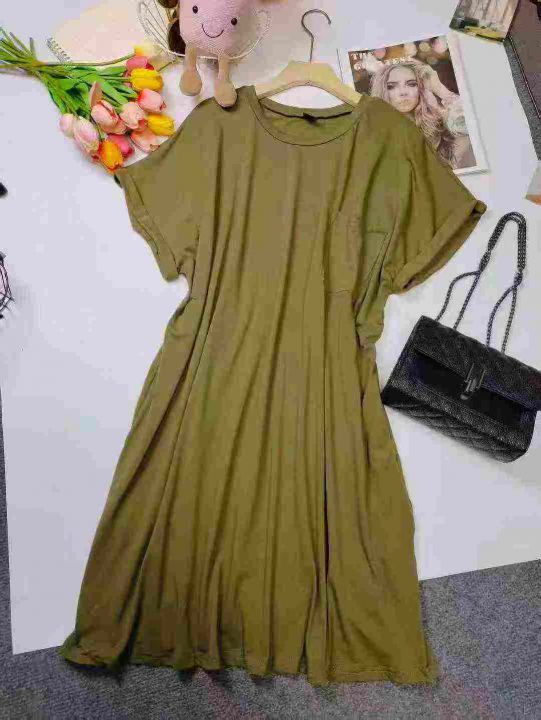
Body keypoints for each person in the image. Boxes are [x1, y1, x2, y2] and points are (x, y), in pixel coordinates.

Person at [367, 57, 475, 169]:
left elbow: (474, 127)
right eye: (391, 87)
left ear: (421, 88)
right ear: (382, 91)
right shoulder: (375, 136)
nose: (403, 92)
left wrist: (440, 89)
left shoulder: (441, 126)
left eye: (411, 84)